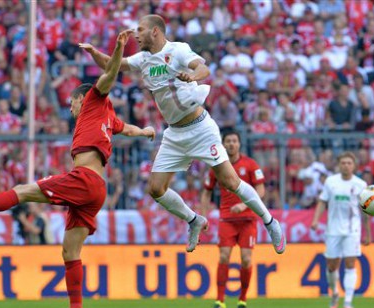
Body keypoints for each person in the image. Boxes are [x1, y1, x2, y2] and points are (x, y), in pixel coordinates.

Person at [0, 30, 155, 308]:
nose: (70, 108)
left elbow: (109, 74)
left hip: (84, 180)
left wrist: (119, 47)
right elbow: (129, 129)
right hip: (96, 190)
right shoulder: (109, 119)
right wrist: (145, 130)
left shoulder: (95, 100)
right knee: (70, 251)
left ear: (83, 98)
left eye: (72, 102)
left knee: (23, 191)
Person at [80, 14, 286, 254]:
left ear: (155, 32)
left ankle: (271, 223)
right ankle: (194, 220)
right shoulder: (143, 59)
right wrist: (96, 52)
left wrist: (192, 76)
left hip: (199, 128)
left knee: (230, 182)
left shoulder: (178, 51)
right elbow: (112, 65)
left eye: (140, 30)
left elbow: (203, 67)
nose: (136, 35)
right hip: (174, 133)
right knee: (156, 189)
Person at [201, 130, 265, 308]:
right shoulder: (216, 166)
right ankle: (220, 301)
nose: (231, 144)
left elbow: (260, 191)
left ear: (239, 144)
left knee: (246, 259)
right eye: (228, 141)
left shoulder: (250, 165)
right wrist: (203, 216)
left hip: (247, 219)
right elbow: (206, 192)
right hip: (227, 219)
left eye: (234, 141)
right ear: (223, 144)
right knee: (223, 256)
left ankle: (242, 301)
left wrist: (244, 205)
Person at [311, 152, 372, 308]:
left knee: (350, 263)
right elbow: (322, 202)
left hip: (353, 229)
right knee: (331, 266)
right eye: (343, 163)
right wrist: (316, 220)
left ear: (354, 166)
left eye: (349, 163)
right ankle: (335, 292)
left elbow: (365, 210)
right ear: (339, 165)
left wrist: (367, 232)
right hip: (333, 229)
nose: (346, 165)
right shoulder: (331, 182)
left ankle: (348, 301)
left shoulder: (361, 184)